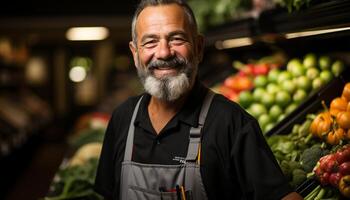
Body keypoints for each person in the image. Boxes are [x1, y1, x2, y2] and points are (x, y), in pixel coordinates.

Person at [94, 0, 304, 199]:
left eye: (177, 38)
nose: (164, 52)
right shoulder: (123, 118)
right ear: (135, 53)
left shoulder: (231, 122)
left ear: (199, 47)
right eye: (150, 42)